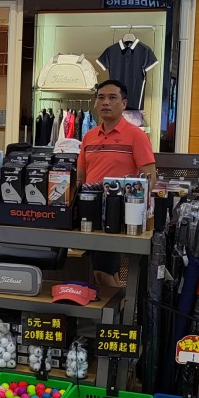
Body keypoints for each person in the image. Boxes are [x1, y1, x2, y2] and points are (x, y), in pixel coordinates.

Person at [77, 79, 157, 290]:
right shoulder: (89, 137)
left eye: (112, 97)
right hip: (91, 214)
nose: (105, 102)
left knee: (103, 271)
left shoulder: (136, 136)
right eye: (101, 98)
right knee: (101, 270)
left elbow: (149, 178)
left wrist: (138, 214)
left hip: (118, 217)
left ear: (124, 103)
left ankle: (116, 308)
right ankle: (115, 306)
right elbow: (81, 177)